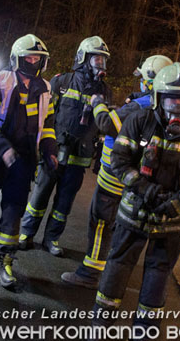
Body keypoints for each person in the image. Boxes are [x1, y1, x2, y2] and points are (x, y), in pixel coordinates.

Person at [88, 62, 180, 341]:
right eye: (171, 100)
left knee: (157, 278)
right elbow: (119, 162)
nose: (178, 108)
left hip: (172, 221)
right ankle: (101, 324)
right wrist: (143, 188)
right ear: (157, 98)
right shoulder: (139, 121)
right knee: (116, 268)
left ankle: (143, 338)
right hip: (134, 213)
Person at [60, 54, 172, 289]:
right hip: (137, 179)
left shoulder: (141, 105)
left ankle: (90, 273)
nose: (140, 82)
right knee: (123, 227)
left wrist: (98, 104)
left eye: (143, 78)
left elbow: (107, 124)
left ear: (151, 81)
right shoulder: (166, 107)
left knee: (101, 223)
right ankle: (113, 273)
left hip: (114, 177)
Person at [0, 34, 57, 288]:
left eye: (38, 58)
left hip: (23, 159)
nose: (34, 61)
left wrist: (50, 150)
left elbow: (47, 124)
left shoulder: (45, 88)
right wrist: (3, 148)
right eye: (29, 56)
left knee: (14, 210)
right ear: (17, 58)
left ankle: (4, 260)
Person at [19, 36, 111, 256]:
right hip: (54, 151)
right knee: (40, 194)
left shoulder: (105, 92)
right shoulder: (62, 82)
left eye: (103, 60)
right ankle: (27, 232)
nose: (100, 64)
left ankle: (52, 238)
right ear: (82, 58)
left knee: (64, 202)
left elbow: (104, 124)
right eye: (96, 59)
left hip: (80, 156)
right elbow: (46, 115)